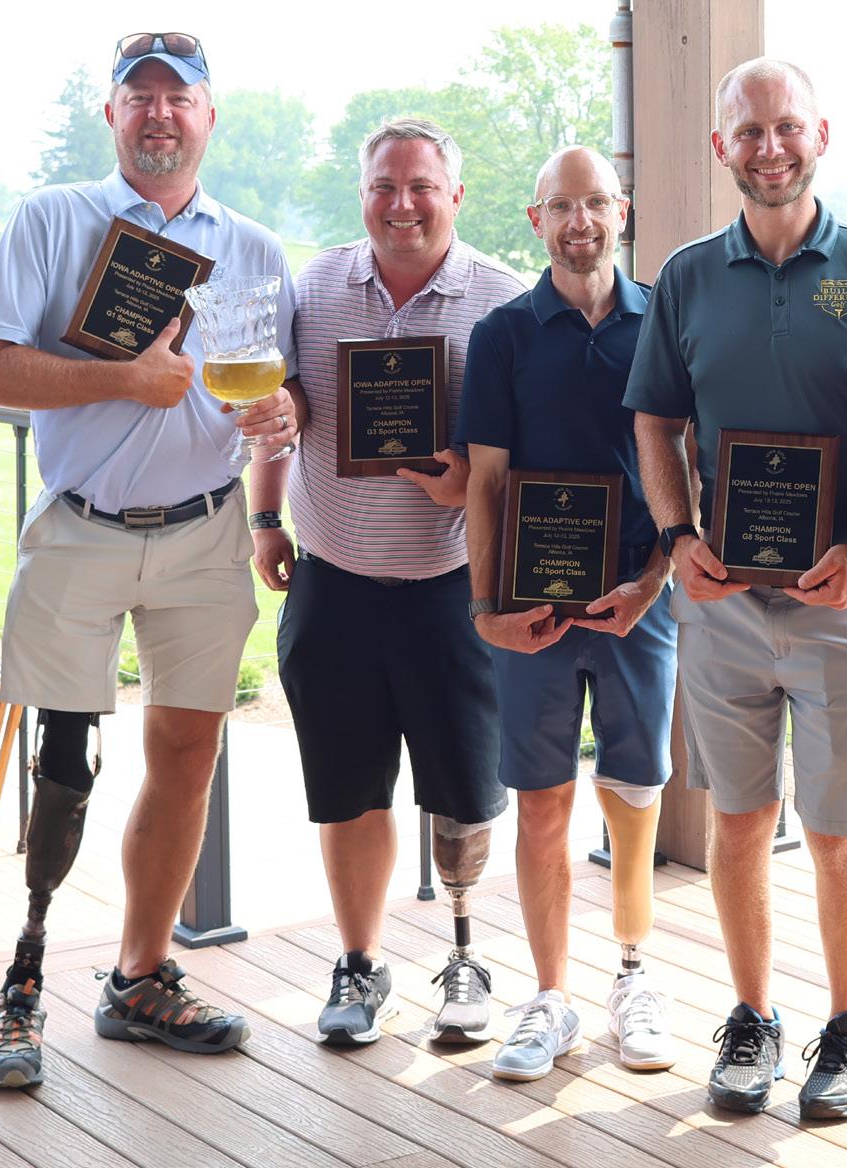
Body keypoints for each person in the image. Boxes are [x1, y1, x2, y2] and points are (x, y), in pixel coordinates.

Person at [0, 31, 296, 1089]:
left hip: (205, 530)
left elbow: (276, 391)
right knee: (63, 764)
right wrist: (120, 381)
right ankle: (21, 985)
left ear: (208, 117)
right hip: (82, 526)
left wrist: (282, 416)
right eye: (138, 96)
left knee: (189, 751)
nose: (159, 113)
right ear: (109, 115)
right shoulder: (53, 219)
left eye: (178, 98)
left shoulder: (255, 248)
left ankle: (139, 977)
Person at [624, 57, 847, 1121]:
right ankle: (752, 1018)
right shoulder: (686, 278)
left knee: (840, 830)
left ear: (820, 135)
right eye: (748, 131)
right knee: (739, 819)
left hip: (843, 602)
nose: (769, 147)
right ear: (721, 146)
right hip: (724, 605)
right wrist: (676, 538)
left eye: (786, 127)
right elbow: (655, 420)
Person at [247, 116, 526, 1048]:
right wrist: (264, 516)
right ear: (362, 193)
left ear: (456, 195)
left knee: (464, 790)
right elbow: (280, 406)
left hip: (453, 587)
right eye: (383, 186)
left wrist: (473, 485)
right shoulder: (314, 285)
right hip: (334, 581)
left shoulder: (503, 297)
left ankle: (464, 955)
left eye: (420, 187)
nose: (401, 205)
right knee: (348, 787)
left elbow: (528, 447)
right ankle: (360, 963)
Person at [457, 146, 677, 1082]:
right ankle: (550, 997)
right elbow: (486, 483)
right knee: (541, 803)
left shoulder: (665, 321)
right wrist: (484, 609)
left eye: (595, 204)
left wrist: (654, 581)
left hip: (638, 603)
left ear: (621, 211)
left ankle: (633, 977)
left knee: (634, 796)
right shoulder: (503, 334)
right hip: (531, 611)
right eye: (560, 206)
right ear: (535, 218)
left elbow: (689, 467)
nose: (579, 222)